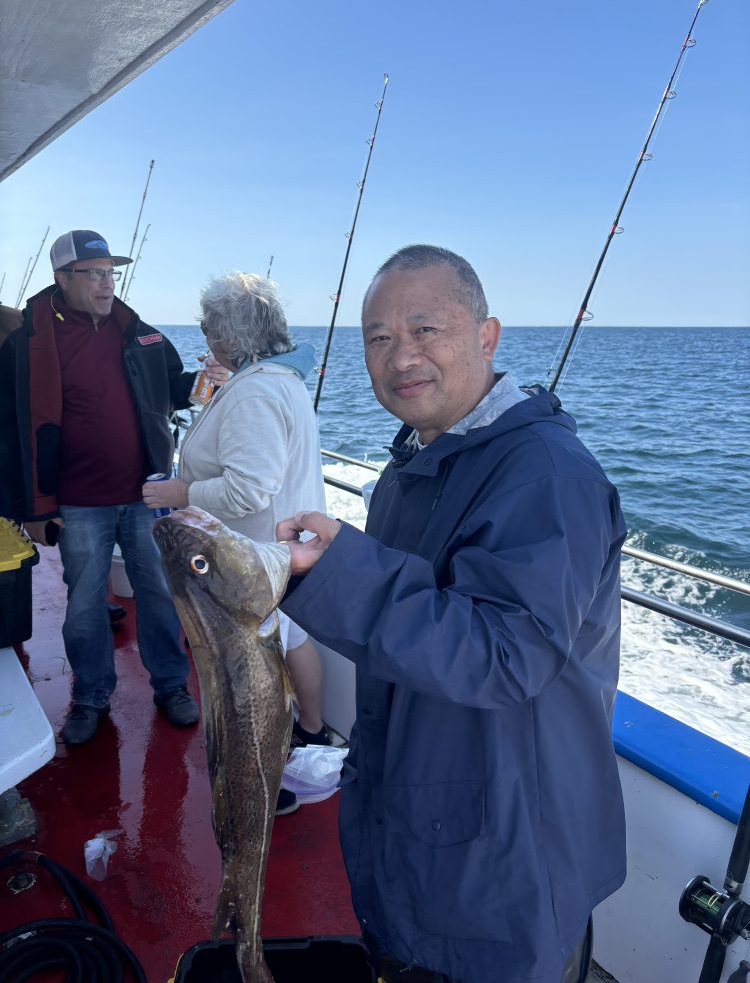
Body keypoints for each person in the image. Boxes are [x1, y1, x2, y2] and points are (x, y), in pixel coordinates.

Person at [276, 245, 627, 983]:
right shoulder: (419, 459)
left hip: (507, 863)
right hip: (426, 825)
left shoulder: (548, 475)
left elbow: (505, 653)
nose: (401, 355)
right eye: (377, 337)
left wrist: (342, 573)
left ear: (487, 336)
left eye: (425, 328)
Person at [0, 229, 226, 746]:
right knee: (83, 605)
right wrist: (31, 508)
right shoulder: (25, 344)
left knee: (159, 595)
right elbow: (9, 434)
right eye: (94, 274)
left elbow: (177, 389)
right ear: (62, 278)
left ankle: (170, 685)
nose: (107, 284)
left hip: (146, 496)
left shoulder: (139, 332)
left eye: (111, 274)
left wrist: (205, 381)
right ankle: (91, 696)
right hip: (77, 503)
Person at [142, 271, 330, 815]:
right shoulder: (273, 380)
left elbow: (249, 489)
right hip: (281, 549)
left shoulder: (258, 392)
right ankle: (309, 735)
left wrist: (180, 491)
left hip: (260, 558)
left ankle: (285, 758)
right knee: (292, 641)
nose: (204, 332)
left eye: (208, 324)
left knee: (265, 663)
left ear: (231, 332)